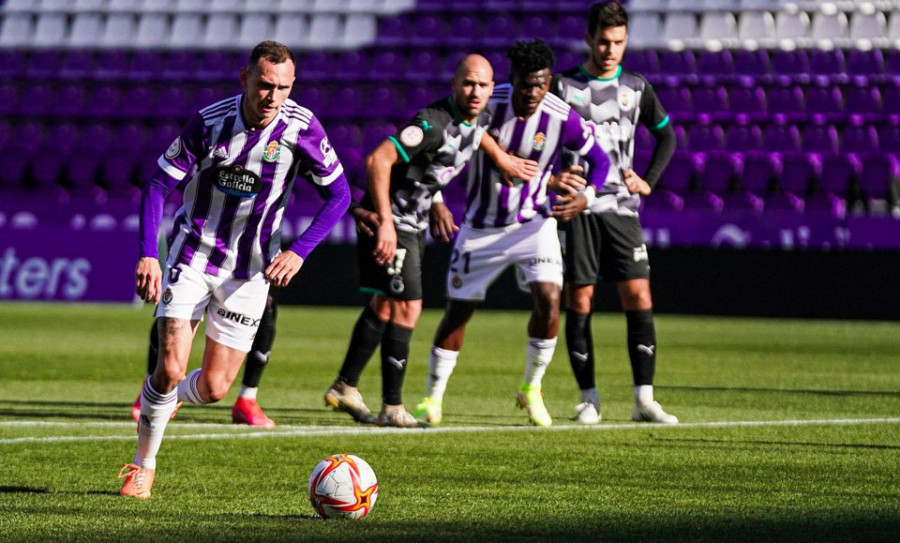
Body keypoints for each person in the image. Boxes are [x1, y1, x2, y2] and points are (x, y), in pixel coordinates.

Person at [118, 41, 350, 499]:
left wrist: (300, 251)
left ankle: (165, 402)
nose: (272, 97)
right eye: (265, 85)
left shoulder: (302, 128)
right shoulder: (210, 123)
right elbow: (159, 184)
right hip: (192, 256)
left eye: (283, 88)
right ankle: (143, 467)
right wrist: (149, 253)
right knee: (169, 366)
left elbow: (339, 194)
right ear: (244, 77)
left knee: (215, 388)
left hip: (251, 272)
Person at [324, 54, 540, 427]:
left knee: (385, 305)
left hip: (414, 220)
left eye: (483, 85)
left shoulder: (479, 118)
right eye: (468, 83)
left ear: (492, 89)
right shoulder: (431, 123)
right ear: (454, 85)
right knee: (409, 307)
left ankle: (345, 386)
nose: (475, 92)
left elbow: (472, 137)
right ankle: (392, 408)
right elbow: (379, 160)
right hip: (392, 220)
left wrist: (500, 161)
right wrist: (388, 224)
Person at [412, 40, 611, 427]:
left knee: (551, 300)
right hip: (480, 227)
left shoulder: (561, 116)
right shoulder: (488, 101)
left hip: (534, 224)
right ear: (512, 80)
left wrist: (586, 196)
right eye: (525, 85)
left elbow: (600, 161)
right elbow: (440, 143)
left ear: (549, 81)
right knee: (457, 314)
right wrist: (441, 194)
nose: (532, 93)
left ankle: (531, 387)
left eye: (540, 85)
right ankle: (432, 399)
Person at [552, 1, 678, 424]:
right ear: (589, 39)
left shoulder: (638, 88)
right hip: (579, 209)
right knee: (580, 300)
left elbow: (667, 137)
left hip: (622, 209)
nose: (610, 50)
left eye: (619, 43)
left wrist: (648, 180)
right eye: (604, 42)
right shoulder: (562, 87)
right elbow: (538, 137)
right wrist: (555, 176)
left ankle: (644, 400)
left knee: (639, 295)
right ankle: (589, 399)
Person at [131, 291, 278, 428]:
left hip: (242, 269)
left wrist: (298, 260)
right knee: (176, 309)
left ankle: (247, 399)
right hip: (199, 265)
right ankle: (155, 386)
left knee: (265, 303)